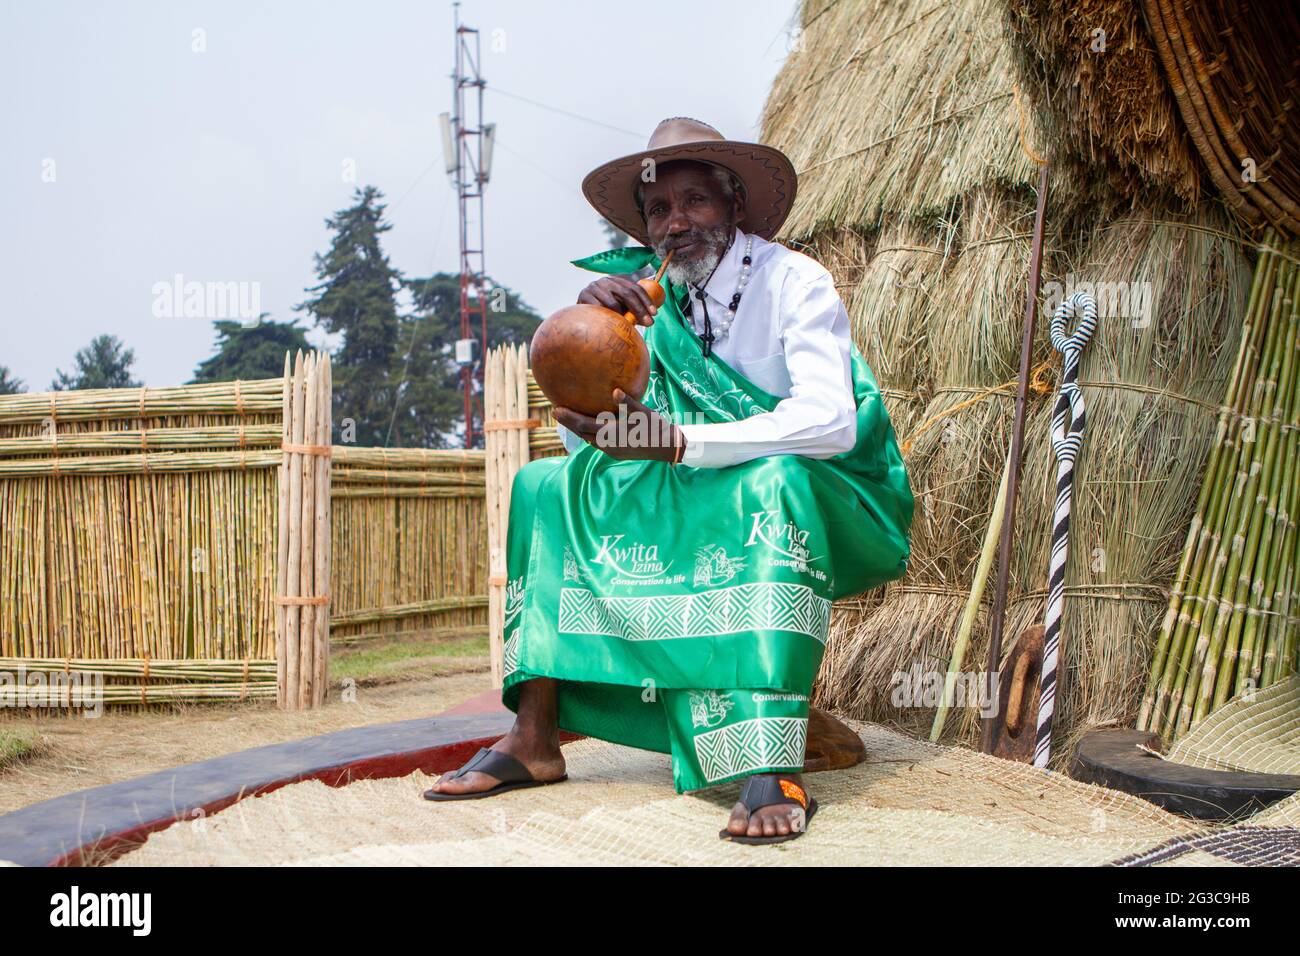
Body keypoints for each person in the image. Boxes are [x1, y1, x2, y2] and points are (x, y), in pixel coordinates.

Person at [424, 117, 913, 844]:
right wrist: (598, 341)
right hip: (700, 481)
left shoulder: (794, 281)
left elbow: (831, 423)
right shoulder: (647, 311)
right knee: (546, 486)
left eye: (695, 202)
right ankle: (534, 735)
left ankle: (771, 761)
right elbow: (593, 442)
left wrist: (684, 442)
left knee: (771, 480)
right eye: (659, 210)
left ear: (736, 206)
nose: (675, 223)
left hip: (832, 493)